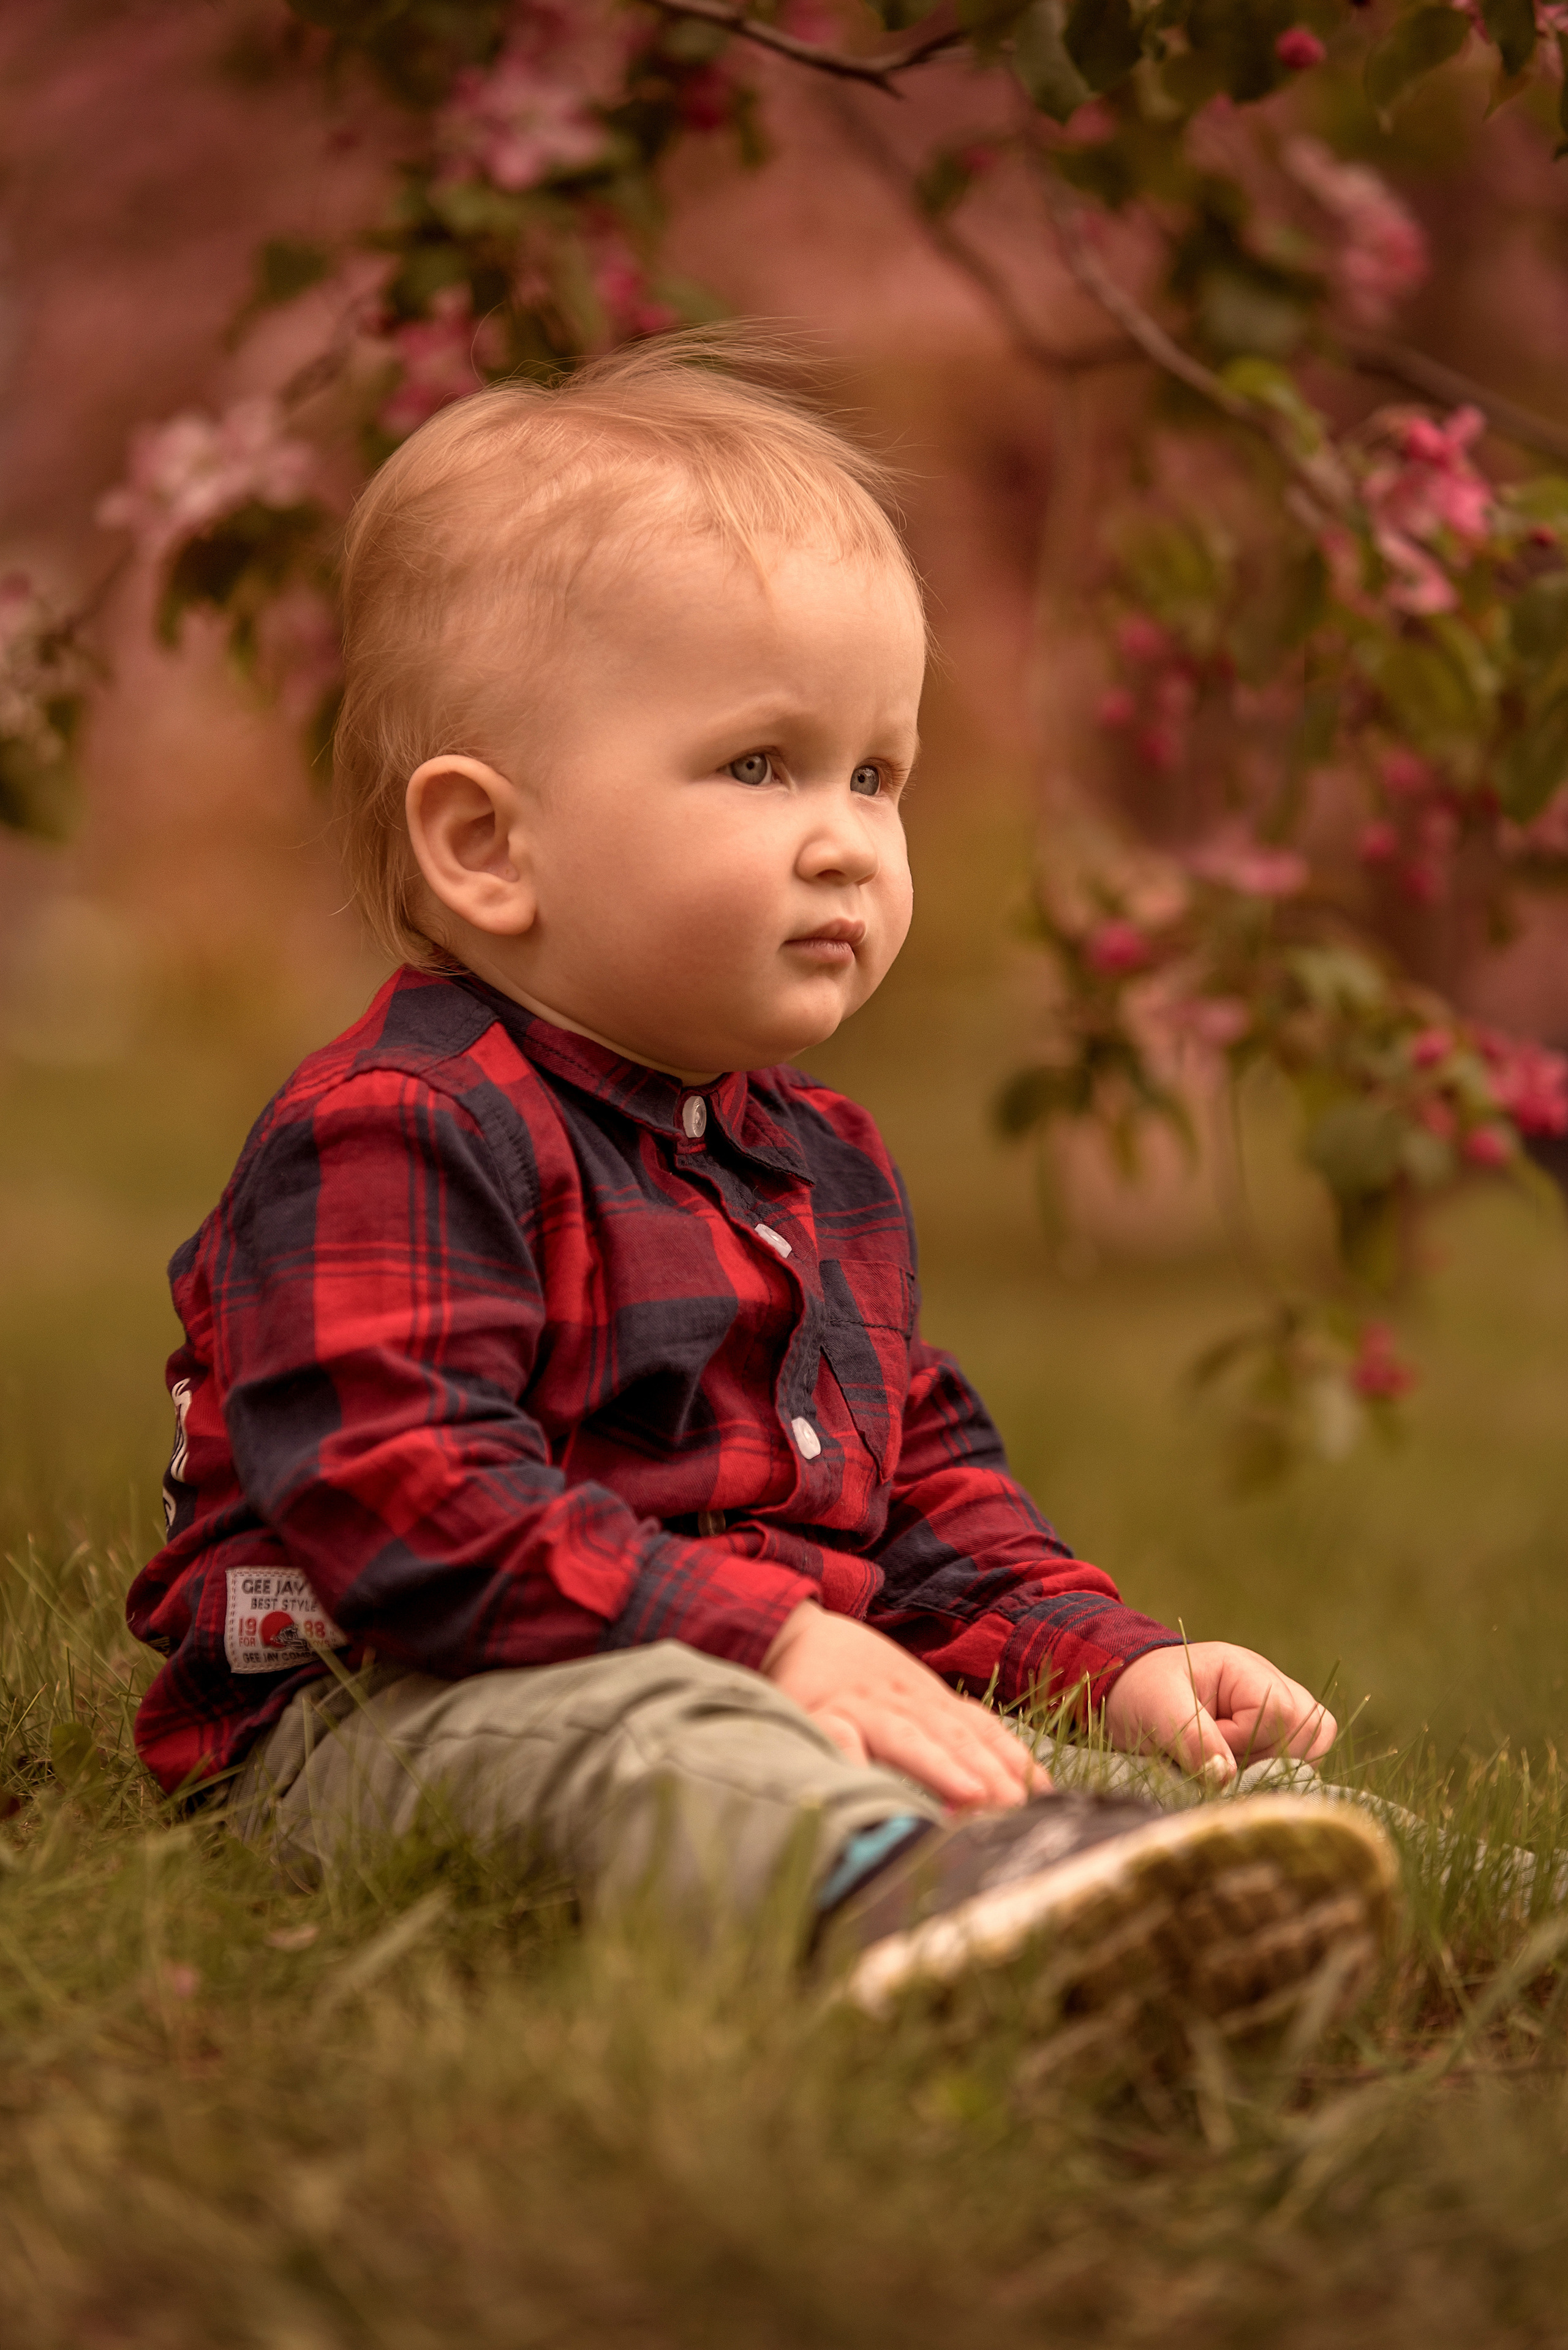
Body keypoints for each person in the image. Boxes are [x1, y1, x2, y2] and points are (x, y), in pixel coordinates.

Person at [126, 332, 1395, 2036]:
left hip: (713, 1677)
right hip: (381, 1711)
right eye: (760, 766)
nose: (846, 837)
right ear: (488, 847)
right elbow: (401, 1497)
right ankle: (898, 1910)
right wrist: (766, 1641)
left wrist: (1114, 1657)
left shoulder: (814, 1158)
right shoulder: (399, 1129)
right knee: (680, 1742)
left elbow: (912, 1487)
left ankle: (1165, 1876)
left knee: (917, 1734)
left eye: (879, 772)